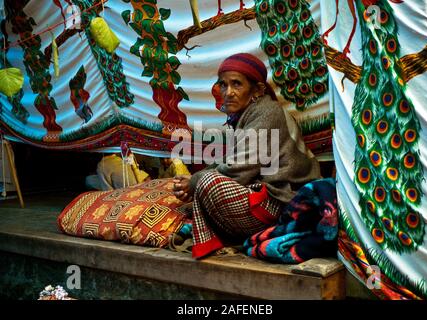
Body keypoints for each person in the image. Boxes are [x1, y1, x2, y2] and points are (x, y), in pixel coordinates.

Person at [173, 53, 321, 259]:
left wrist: (195, 182)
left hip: (283, 204)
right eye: (223, 85)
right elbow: (230, 160)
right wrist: (191, 182)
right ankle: (223, 232)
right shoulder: (247, 115)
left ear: (257, 90)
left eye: (237, 84)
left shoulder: (267, 112)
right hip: (266, 198)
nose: (228, 92)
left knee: (208, 183)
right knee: (198, 189)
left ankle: (230, 235)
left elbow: (239, 168)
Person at [85, 153, 150, 191]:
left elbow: (108, 189)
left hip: (127, 192)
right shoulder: (119, 159)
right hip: (139, 186)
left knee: (88, 180)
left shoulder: (102, 165)